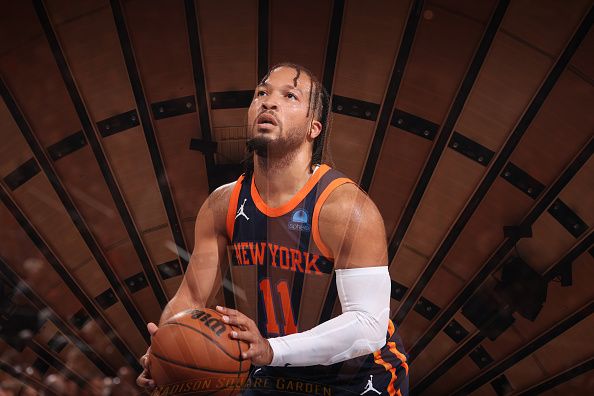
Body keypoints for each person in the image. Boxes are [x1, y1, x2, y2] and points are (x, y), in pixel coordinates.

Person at [137, 63, 409, 395]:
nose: (269, 102)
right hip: (272, 371)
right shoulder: (223, 204)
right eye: (262, 93)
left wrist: (272, 350)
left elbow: (369, 326)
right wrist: (163, 352)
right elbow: (191, 296)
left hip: (355, 378)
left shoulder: (345, 209)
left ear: (314, 128)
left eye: (290, 95)